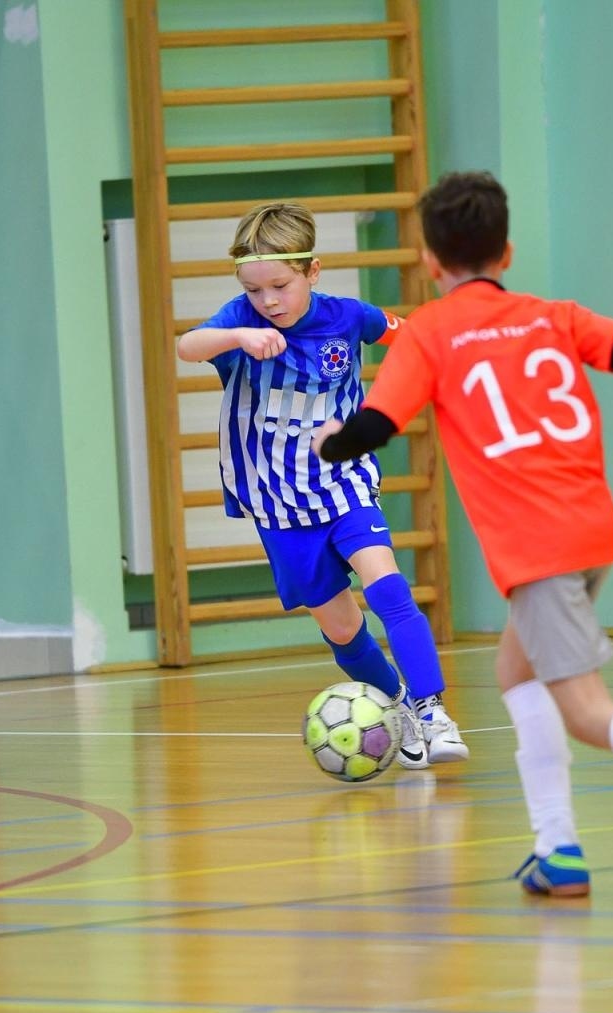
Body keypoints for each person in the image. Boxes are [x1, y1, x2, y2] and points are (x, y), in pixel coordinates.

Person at [312, 172, 613, 894]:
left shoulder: (432, 333)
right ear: (506, 253)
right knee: (516, 672)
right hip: (592, 526)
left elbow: (375, 427)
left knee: (587, 712)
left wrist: (330, 442)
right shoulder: (552, 316)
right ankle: (558, 850)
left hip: (537, 548)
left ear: (430, 261)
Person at [175, 201, 466, 769]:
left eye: (280, 287)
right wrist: (237, 336)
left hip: (344, 484)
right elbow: (188, 346)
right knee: (343, 627)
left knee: (387, 587)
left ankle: (432, 709)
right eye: (254, 290)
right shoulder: (240, 320)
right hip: (277, 504)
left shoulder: (348, 317)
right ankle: (399, 708)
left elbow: (414, 341)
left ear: (312, 271)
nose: (268, 301)